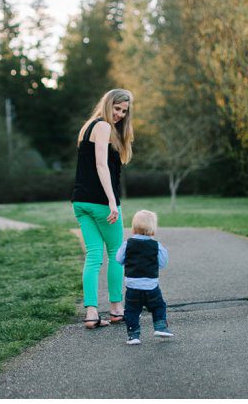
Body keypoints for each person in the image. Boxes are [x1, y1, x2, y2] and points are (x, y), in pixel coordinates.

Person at [71, 89, 134, 329]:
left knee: (94, 256)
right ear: (107, 105)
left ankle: (91, 314)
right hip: (99, 202)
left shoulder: (87, 126)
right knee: (116, 253)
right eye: (116, 108)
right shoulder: (104, 127)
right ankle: (117, 309)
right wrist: (111, 200)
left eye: (123, 111)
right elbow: (100, 165)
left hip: (80, 202)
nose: (119, 114)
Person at [116, 209, 172, 345]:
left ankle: (133, 336)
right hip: (151, 286)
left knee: (132, 311)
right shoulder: (156, 245)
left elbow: (119, 259)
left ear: (133, 228)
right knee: (158, 306)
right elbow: (163, 263)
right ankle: (160, 327)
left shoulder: (127, 244)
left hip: (132, 287)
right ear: (153, 229)